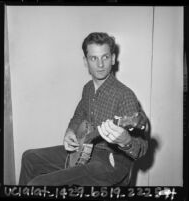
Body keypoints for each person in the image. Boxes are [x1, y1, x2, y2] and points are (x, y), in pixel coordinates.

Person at [19, 32, 148, 186]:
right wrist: (70, 131)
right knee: (29, 157)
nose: (100, 64)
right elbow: (79, 114)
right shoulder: (87, 89)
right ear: (86, 61)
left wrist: (126, 141)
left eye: (105, 57)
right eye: (94, 58)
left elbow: (142, 148)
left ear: (113, 59)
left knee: (39, 184)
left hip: (109, 162)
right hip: (84, 148)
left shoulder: (125, 95)